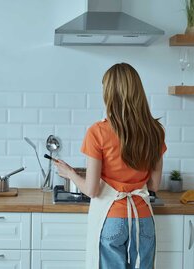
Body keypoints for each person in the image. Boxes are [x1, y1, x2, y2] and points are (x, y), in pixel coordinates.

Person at [54, 63, 166, 269]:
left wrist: (69, 173)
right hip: (144, 220)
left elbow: (91, 189)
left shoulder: (98, 132)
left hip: (112, 218)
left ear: (109, 93)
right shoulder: (155, 131)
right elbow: (154, 185)